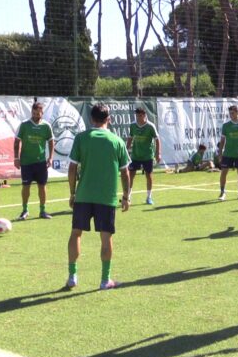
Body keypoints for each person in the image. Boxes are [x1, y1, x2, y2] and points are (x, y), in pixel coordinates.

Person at [65, 103, 131, 290]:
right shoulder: (116, 141)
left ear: (91, 119)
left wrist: (72, 192)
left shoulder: (81, 138)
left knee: (76, 233)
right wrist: (126, 196)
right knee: (105, 238)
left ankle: (72, 276)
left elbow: (72, 168)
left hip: (83, 195)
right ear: (108, 119)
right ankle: (105, 280)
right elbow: (125, 173)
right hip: (106, 198)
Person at [14, 102, 54, 220]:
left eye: (38, 113)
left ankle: (42, 210)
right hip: (26, 162)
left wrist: (50, 158)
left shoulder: (46, 126)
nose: (36, 115)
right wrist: (16, 158)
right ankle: (25, 210)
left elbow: (51, 142)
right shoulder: (24, 125)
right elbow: (17, 142)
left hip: (41, 162)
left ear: (42, 113)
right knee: (26, 186)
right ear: (31, 112)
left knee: (42, 186)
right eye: (34, 113)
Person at [127, 108, 161, 205]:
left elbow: (157, 140)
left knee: (149, 176)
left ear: (145, 115)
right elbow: (130, 138)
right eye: (137, 116)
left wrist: (158, 153)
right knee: (131, 175)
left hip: (147, 156)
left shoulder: (150, 126)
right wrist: (126, 150)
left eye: (140, 116)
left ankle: (149, 197)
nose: (138, 118)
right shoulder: (133, 125)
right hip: (135, 156)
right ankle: (128, 196)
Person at [217, 105, 238, 201]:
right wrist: (220, 153)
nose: (231, 115)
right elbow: (222, 140)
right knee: (224, 172)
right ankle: (222, 192)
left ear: (237, 112)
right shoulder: (226, 126)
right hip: (228, 154)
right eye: (230, 113)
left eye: (232, 113)